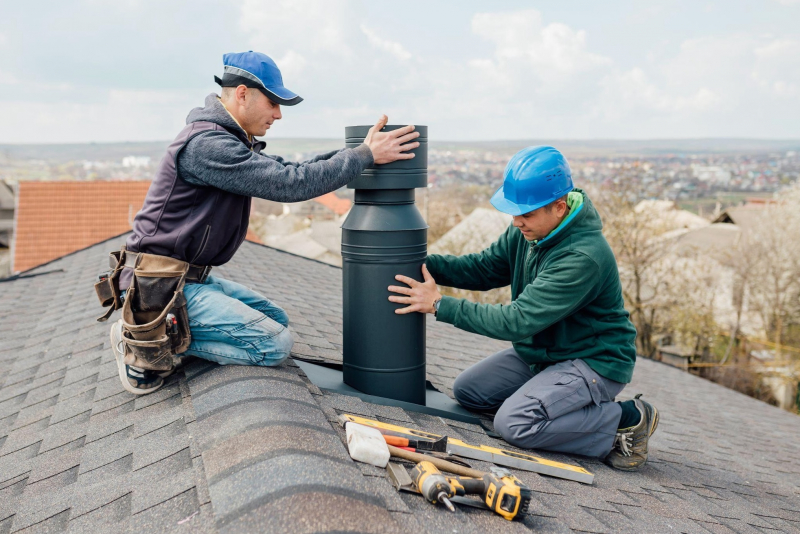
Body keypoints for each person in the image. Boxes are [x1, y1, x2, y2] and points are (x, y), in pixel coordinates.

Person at [111, 51, 419, 396]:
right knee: (273, 344)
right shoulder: (207, 145)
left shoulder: (228, 140)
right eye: (273, 103)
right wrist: (366, 156)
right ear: (242, 93)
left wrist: (358, 152)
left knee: (276, 319)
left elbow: (289, 170)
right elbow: (291, 184)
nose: (278, 114)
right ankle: (144, 341)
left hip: (186, 280)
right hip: (158, 287)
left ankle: (167, 332)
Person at [388, 146, 659, 471]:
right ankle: (558, 403)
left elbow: (516, 321)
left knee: (514, 424)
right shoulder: (531, 231)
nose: (517, 222)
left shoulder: (582, 257)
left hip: (592, 362)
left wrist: (438, 304)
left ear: (559, 208)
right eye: (515, 212)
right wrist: (419, 263)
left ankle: (624, 420)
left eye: (526, 214)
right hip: (545, 355)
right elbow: (484, 269)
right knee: (469, 391)